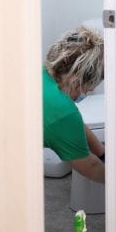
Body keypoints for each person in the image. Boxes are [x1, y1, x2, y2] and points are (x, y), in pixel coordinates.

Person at [43, 27, 106, 184]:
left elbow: (75, 124)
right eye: (85, 90)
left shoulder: (42, 73)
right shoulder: (63, 112)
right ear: (75, 81)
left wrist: (102, 154)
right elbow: (89, 166)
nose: (82, 95)